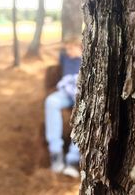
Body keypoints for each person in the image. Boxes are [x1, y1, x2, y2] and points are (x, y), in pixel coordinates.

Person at [45, 37, 82, 178]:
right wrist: (63, 45)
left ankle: (73, 159)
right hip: (65, 91)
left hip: (80, 92)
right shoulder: (65, 58)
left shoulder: (89, 57)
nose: (68, 51)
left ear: (81, 47)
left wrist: (81, 50)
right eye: (66, 48)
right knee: (51, 101)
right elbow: (46, 49)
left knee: (84, 112)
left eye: (71, 48)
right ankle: (56, 152)